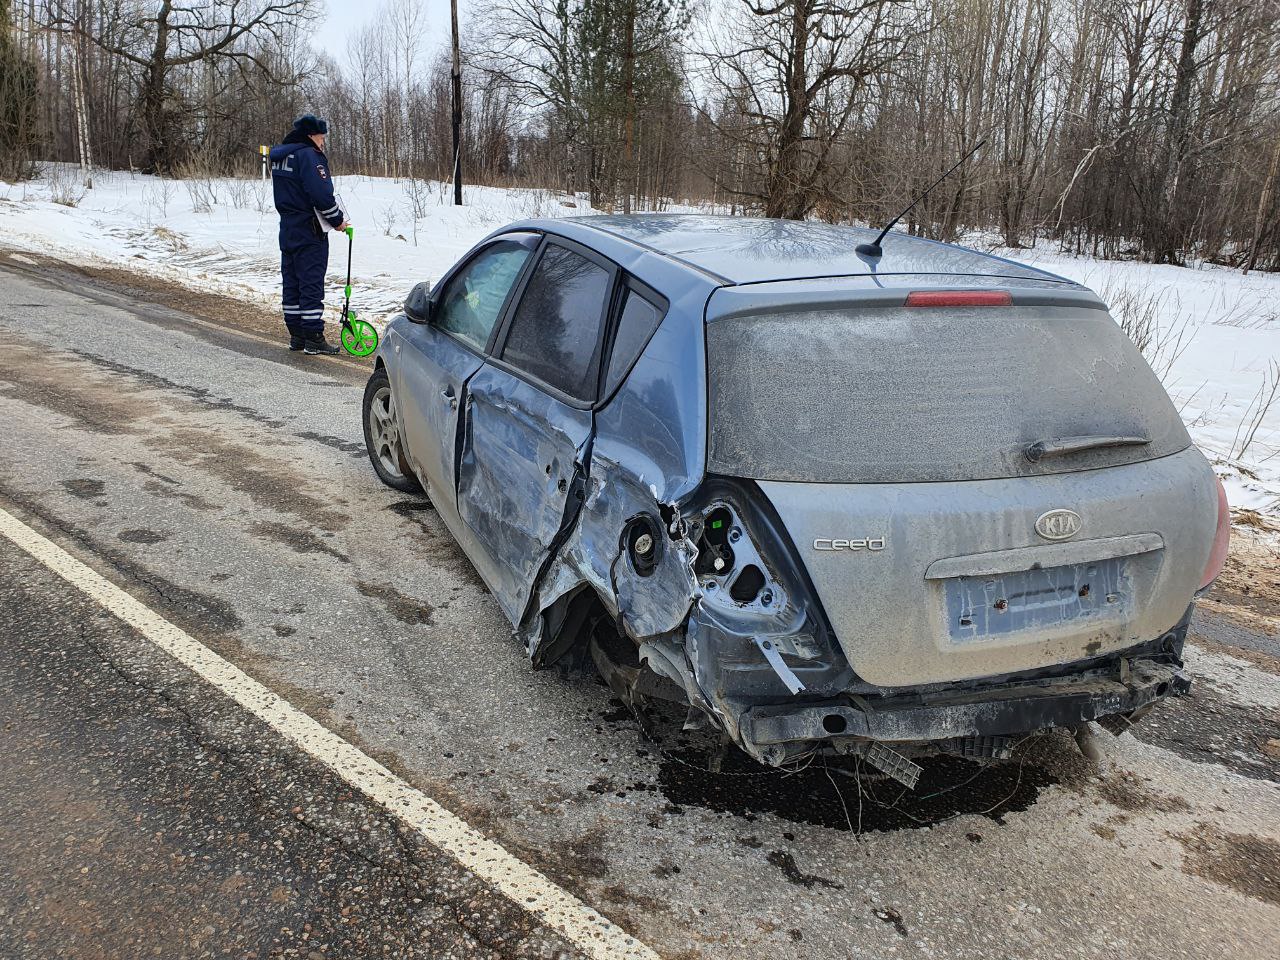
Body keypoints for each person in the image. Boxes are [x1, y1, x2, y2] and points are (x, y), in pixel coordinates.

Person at [269, 114, 351, 355]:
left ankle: (297, 334)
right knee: (310, 283)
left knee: (292, 283)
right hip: (309, 229)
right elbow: (321, 195)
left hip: (287, 228)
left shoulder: (281, 156)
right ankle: (314, 337)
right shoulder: (308, 155)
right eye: (321, 137)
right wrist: (338, 220)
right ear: (311, 135)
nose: (323, 142)